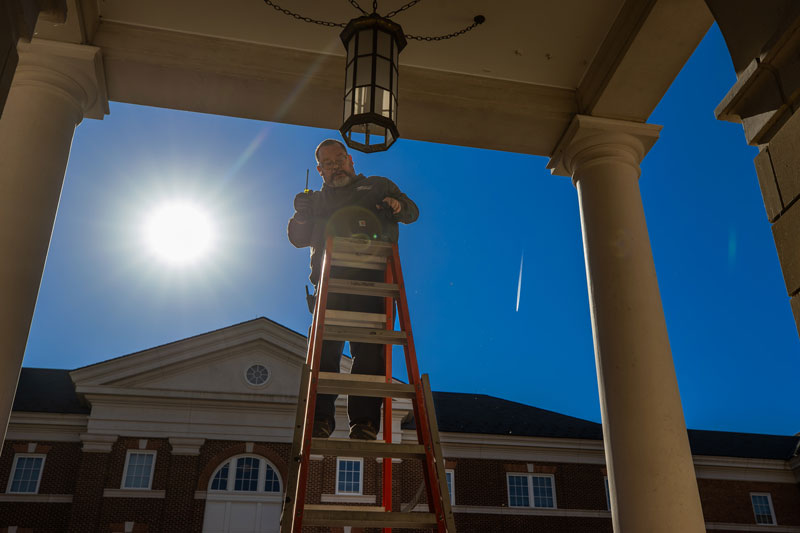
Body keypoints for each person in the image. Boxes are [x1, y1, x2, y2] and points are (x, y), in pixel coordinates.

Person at [287, 138, 419, 440]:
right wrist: (302, 215)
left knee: (371, 353)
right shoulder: (316, 201)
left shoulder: (377, 186)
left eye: (340, 160)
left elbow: (411, 213)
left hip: (374, 281)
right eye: (329, 164)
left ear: (351, 160)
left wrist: (398, 205)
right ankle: (319, 419)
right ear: (320, 170)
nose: (336, 168)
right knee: (325, 354)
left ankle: (365, 423)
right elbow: (297, 238)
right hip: (330, 281)